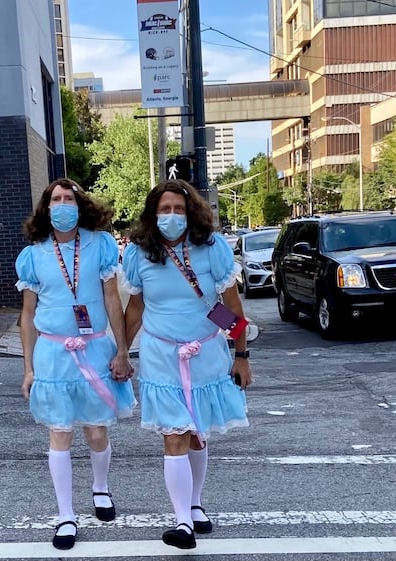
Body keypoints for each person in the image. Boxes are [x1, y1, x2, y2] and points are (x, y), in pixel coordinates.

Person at [122, 180, 252, 550]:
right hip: (161, 357)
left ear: (190, 212)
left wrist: (241, 355)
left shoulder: (213, 249)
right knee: (174, 435)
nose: (172, 216)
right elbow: (134, 310)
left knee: (197, 435)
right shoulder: (138, 254)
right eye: (165, 210)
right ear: (153, 214)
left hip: (207, 355)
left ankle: (195, 505)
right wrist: (120, 353)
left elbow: (232, 309)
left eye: (179, 209)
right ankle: (182, 522)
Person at [16, 178, 136, 551]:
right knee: (60, 433)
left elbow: (113, 300)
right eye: (56, 199)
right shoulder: (33, 254)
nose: (63, 204)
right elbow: (27, 315)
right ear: (46, 207)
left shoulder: (99, 245)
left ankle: (101, 488)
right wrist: (29, 368)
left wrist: (122, 350)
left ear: (79, 204)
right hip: (52, 355)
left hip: (96, 348)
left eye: (69, 198)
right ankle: (65, 514)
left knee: (97, 432)